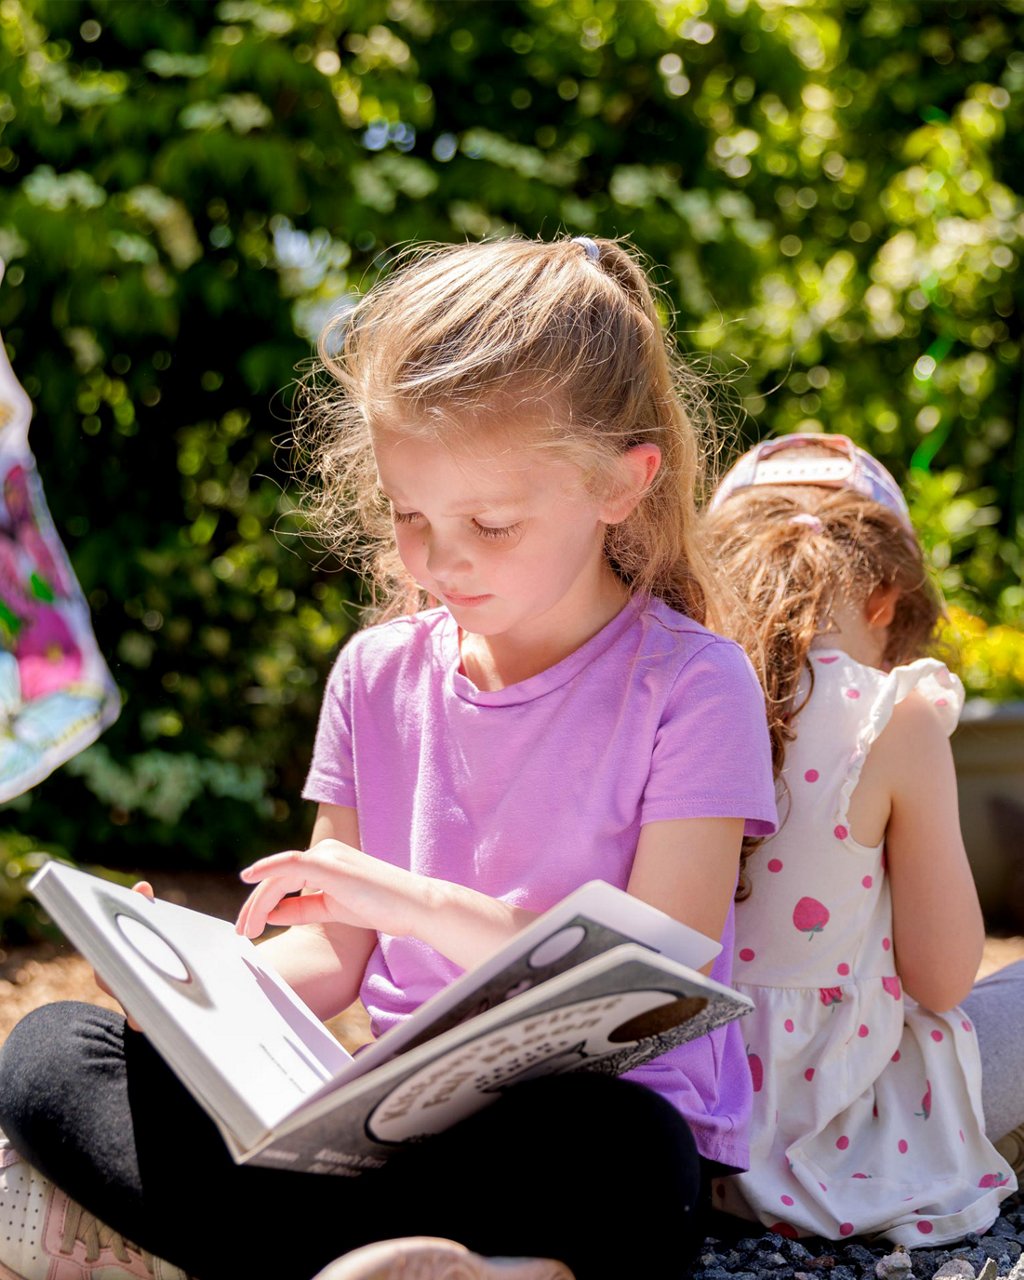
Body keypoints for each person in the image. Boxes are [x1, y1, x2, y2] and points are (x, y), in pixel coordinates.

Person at [0, 236, 777, 1280]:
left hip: (577, 1125)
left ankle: (228, 1253)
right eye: (409, 515)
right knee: (54, 1052)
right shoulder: (375, 673)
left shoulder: (693, 681)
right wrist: (187, 996)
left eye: (490, 523)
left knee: (630, 1159)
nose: (439, 558)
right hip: (383, 1130)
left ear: (620, 486)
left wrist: (410, 901)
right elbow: (332, 955)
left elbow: (663, 965)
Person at [703, 433, 1023, 1246]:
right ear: (885, 601)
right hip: (860, 1127)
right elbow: (945, 976)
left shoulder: (678, 702)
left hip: (699, 1133)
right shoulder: (894, 715)